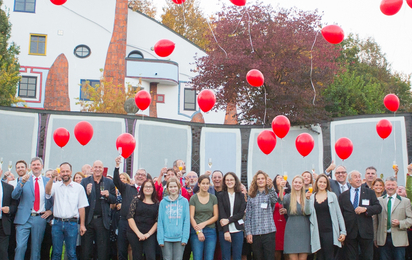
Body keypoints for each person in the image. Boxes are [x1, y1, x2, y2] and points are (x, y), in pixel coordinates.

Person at [45, 162, 89, 260]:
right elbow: (47, 192)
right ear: (60, 173)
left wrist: (82, 225)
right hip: (57, 223)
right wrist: (51, 179)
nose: (65, 173)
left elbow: (82, 207)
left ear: (71, 172)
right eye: (63, 171)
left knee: (71, 253)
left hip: (72, 224)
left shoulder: (79, 188)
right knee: (56, 252)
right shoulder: (56, 186)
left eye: (67, 171)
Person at [12, 157, 53, 260]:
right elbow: (14, 196)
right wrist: (21, 183)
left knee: (36, 248)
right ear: (30, 167)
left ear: (42, 167)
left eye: (38, 164)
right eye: (34, 165)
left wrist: (51, 211)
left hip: (40, 218)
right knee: (20, 246)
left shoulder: (48, 181)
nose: (36, 166)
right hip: (24, 218)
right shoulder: (24, 179)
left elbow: (56, 199)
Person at [339, 170, 382, 260]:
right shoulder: (343, 196)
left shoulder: (369, 192)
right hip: (350, 232)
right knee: (351, 257)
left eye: (359, 177)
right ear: (350, 180)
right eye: (356, 177)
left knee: (367, 257)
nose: (358, 179)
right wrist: (342, 232)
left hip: (366, 231)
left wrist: (366, 209)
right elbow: (340, 214)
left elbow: (378, 208)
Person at [304, 174, 346, 260]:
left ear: (327, 184)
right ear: (317, 183)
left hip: (330, 231)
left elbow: (339, 214)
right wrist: (307, 200)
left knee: (329, 256)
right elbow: (307, 212)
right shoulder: (311, 197)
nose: (322, 184)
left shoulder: (332, 195)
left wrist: (343, 232)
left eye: (324, 182)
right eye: (320, 182)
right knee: (319, 257)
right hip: (316, 231)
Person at [80, 160, 116, 260]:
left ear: (102, 169)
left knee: (102, 251)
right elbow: (80, 201)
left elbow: (114, 199)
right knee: (86, 250)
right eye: (95, 167)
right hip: (88, 220)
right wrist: (87, 193)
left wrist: (108, 195)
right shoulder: (85, 181)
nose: (97, 169)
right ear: (92, 169)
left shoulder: (109, 182)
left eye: (100, 167)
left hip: (102, 220)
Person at [113, 157, 145, 260]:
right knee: (122, 250)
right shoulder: (127, 188)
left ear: (146, 178)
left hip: (138, 223)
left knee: (137, 251)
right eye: (138, 174)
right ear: (134, 176)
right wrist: (117, 167)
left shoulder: (147, 190)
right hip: (124, 222)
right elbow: (116, 181)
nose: (140, 176)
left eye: (142, 175)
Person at [374, 176, 412, 260]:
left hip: (399, 239)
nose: (390, 187)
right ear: (385, 187)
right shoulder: (379, 200)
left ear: (396, 187)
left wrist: (400, 223)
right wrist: (375, 238)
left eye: (393, 185)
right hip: (383, 239)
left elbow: (410, 219)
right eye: (388, 185)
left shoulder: (405, 201)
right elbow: (375, 221)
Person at [245, 170, 277, 260]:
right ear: (255, 181)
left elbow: (275, 200)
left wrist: (270, 187)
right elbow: (248, 216)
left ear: (266, 180)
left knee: (269, 257)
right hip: (255, 234)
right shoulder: (251, 196)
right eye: (258, 179)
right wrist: (248, 232)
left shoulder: (269, 193)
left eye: (262, 178)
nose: (260, 180)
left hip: (268, 232)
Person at [157, 177, 190, 260]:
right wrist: (160, 239)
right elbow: (160, 221)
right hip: (166, 238)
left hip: (180, 238)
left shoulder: (184, 201)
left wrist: (185, 238)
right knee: (167, 258)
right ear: (167, 188)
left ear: (179, 187)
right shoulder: (163, 202)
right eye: (171, 187)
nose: (173, 189)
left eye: (175, 186)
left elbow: (186, 221)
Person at [280, 175, 310, 260]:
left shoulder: (307, 196)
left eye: (300, 182)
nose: (297, 184)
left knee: (303, 257)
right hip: (291, 228)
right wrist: (281, 188)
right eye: (296, 182)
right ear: (292, 183)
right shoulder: (288, 196)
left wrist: (308, 199)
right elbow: (280, 201)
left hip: (304, 228)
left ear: (303, 184)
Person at [217, 172, 246, 260]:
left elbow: (241, 213)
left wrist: (229, 220)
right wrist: (226, 231)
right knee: (226, 257)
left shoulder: (241, 195)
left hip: (238, 230)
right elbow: (221, 213)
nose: (229, 182)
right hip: (225, 231)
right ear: (224, 182)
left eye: (231, 180)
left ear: (235, 181)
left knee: (237, 256)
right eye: (227, 180)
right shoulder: (220, 195)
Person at [127, 179, 159, 260]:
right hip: (135, 232)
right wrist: (138, 234)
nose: (148, 188)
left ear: (153, 189)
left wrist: (148, 234)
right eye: (146, 186)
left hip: (150, 233)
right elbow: (130, 217)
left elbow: (157, 221)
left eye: (150, 187)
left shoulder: (157, 203)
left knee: (151, 257)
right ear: (142, 188)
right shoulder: (136, 200)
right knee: (137, 256)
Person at [190, 174, 218, 260]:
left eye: (207, 183)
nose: (205, 186)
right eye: (203, 183)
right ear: (199, 184)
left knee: (209, 257)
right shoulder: (193, 198)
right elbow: (191, 216)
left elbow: (216, 216)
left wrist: (204, 223)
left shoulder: (213, 198)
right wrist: (198, 231)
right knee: (197, 257)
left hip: (210, 231)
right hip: (197, 231)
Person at [0, 169, 17, 259]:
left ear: (1, 171)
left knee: (3, 251)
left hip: (3, 223)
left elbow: (14, 205)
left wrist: (9, 209)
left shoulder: (9, 187)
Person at [272, 174, 290, 260]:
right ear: (275, 181)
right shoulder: (273, 193)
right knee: (276, 250)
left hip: (286, 223)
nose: (281, 179)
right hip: (275, 223)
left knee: (287, 249)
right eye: (278, 177)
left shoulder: (289, 193)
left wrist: (287, 211)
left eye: (282, 177)